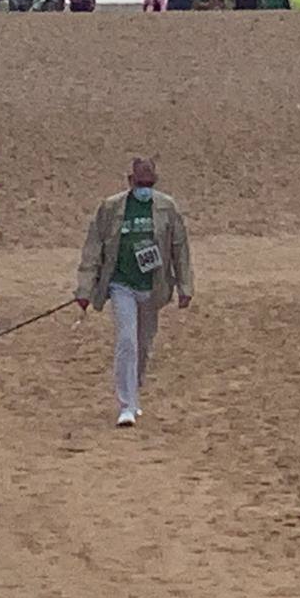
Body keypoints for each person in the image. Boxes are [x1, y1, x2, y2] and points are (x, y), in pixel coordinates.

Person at [75, 158, 194, 427]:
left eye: (149, 184)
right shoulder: (110, 208)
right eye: (140, 183)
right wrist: (84, 289)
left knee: (143, 343)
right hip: (121, 284)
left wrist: (185, 286)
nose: (145, 188)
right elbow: (93, 249)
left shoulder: (167, 207)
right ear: (130, 181)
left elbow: (180, 249)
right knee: (126, 341)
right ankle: (126, 405)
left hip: (153, 287)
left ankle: (135, 390)